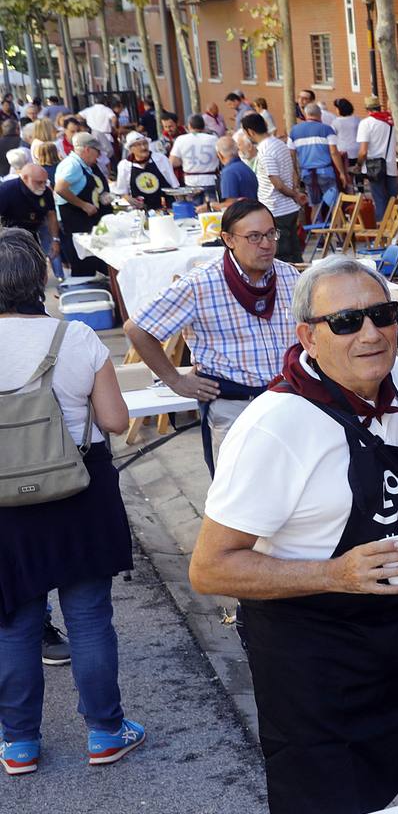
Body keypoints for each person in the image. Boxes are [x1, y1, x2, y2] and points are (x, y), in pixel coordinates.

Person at [188, 257, 398, 814]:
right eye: (346, 321)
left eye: (381, 315)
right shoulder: (275, 425)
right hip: (316, 664)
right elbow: (209, 569)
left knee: (382, 800)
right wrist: (334, 574)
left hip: (395, 645)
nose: (370, 333)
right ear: (308, 337)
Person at [0, 229, 144, 775]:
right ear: (41, 279)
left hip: (6, 504)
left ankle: (19, 744)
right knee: (88, 618)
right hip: (79, 489)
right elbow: (114, 422)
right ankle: (106, 732)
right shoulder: (77, 338)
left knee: (13, 621)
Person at [126, 199, 301, 472]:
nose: (266, 244)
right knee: (243, 494)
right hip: (234, 408)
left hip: (290, 402)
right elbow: (137, 328)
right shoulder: (201, 283)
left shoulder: (290, 276)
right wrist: (174, 380)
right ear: (228, 239)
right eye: (254, 236)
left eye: (271, 233)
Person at [244, 112, 306, 263]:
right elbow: (293, 172)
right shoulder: (280, 144)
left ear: (250, 132)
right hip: (289, 209)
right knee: (295, 252)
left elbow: (277, 183)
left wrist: (294, 195)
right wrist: (295, 194)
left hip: (276, 209)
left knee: (282, 256)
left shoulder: (265, 151)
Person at [51, 132, 108, 277]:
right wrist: (84, 205)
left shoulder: (82, 165)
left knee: (90, 264)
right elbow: (60, 188)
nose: (98, 156)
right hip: (73, 223)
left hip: (83, 223)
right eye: (97, 152)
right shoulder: (73, 165)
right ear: (87, 149)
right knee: (82, 266)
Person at [288, 104, 344, 226]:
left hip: (307, 174)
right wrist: (342, 173)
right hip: (326, 173)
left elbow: (291, 155)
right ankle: (340, 240)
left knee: (315, 206)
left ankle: (320, 242)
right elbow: (334, 152)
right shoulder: (327, 130)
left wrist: (295, 175)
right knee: (335, 206)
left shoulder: (294, 131)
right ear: (320, 115)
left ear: (306, 114)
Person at [0, 159, 55, 266]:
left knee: (37, 265)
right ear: (25, 178)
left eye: (45, 182)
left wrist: (55, 239)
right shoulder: (6, 191)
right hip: (10, 235)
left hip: (34, 232)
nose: (43, 186)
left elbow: (51, 214)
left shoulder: (46, 192)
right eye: (39, 182)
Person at [355, 97, 398, 220]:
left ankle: (382, 234)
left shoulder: (366, 124)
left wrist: (358, 165)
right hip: (391, 166)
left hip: (374, 167)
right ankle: (395, 231)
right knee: (393, 201)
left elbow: (363, 152)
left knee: (380, 201)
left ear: (367, 109)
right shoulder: (391, 122)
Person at [112, 132, 179, 209]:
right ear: (131, 149)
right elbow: (122, 192)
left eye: (145, 143)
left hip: (166, 207)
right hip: (140, 210)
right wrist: (130, 199)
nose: (143, 147)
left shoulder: (161, 159)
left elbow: (174, 186)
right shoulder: (124, 165)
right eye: (138, 145)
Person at [171, 113, 221, 199]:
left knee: (194, 209)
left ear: (189, 126)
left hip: (191, 181)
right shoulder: (214, 139)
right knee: (212, 208)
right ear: (204, 126)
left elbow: (173, 162)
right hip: (210, 179)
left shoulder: (181, 139)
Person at [216, 133, 259, 206]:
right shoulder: (245, 167)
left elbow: (231, 204)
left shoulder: (229, 172)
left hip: (243, 213)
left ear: (220, 155)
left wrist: (210, 205)